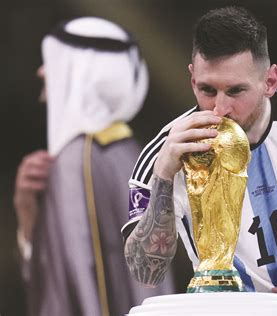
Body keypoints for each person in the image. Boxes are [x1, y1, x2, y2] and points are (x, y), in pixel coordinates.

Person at [122, 6, 277, 312]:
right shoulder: (164, 153)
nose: (220, 108)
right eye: (207, 89)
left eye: (235, 90)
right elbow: (146, 272)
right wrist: (162, 175)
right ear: (192, 79)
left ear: (270, 81)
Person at [14, 17, 175, 316]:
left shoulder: (77, 160)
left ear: (81, 72)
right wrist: (28, 213)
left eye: (51, 62)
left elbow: (74, 277)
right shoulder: (130, 151)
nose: (41, 71)